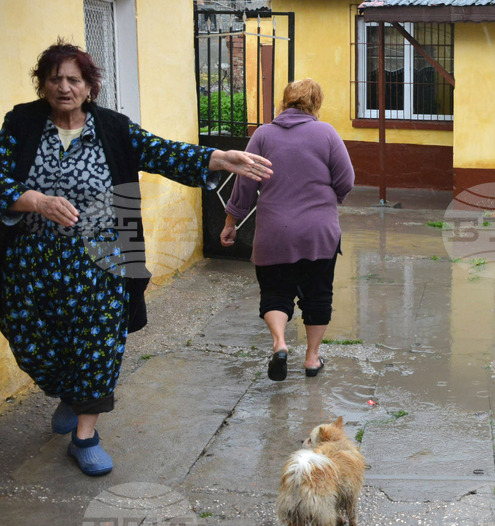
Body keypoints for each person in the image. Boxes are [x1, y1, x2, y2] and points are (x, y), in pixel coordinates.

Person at [0, 41, 273, 476]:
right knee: (32, 344)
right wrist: (33, 199)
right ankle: (68, 393)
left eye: (74, 79)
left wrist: (219, 158)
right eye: (55, 78)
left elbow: (162, 151)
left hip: (103, 261)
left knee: (98, 345)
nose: (64, 87)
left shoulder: (112, 128)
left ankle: (85, 434)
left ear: (90, 86)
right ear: (42, 84)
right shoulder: (21, 124)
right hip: (32, 265)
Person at [221, 78, 354, 383]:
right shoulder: (327, 133)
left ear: (284, 101)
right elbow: (346, 178)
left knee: (275, 293)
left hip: (274, 232)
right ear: (315, 103)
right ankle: (311, 359)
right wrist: (329, 201)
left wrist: (231, 223)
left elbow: (244, 183)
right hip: (318, 232)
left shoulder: (263, 135)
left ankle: (280, 343)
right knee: (318, 295)